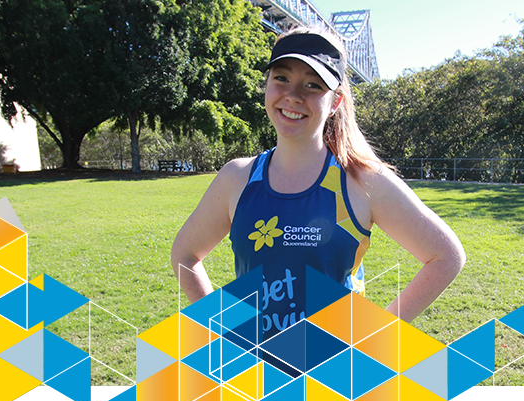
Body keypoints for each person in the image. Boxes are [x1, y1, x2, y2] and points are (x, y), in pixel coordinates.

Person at [171, 28, 465, 342]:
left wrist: (375, 339)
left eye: (313, 85)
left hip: (334, 368)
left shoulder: (362, 182)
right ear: (267, 85)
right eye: (281, 78)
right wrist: (224, 332)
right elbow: (185, 255)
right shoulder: (238, 178)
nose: (293, 95)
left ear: (335, 101)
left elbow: (446, 256)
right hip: (254, 367)